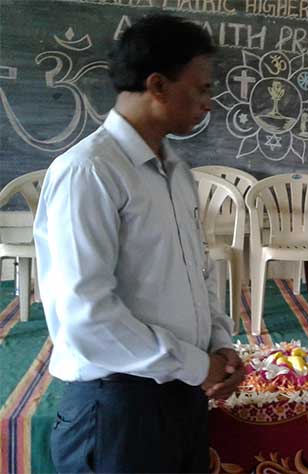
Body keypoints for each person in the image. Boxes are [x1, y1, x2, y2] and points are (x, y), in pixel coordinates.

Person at [33, 14, 243, 473]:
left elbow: (198, 272)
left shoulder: (176, 173)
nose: (208, 103)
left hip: (182, 395)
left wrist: (220, 345)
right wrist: (197, 365)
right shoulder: (89, 171)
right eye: (202, 88)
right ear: (158, 86)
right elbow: (87, 316)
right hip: (119, 410)